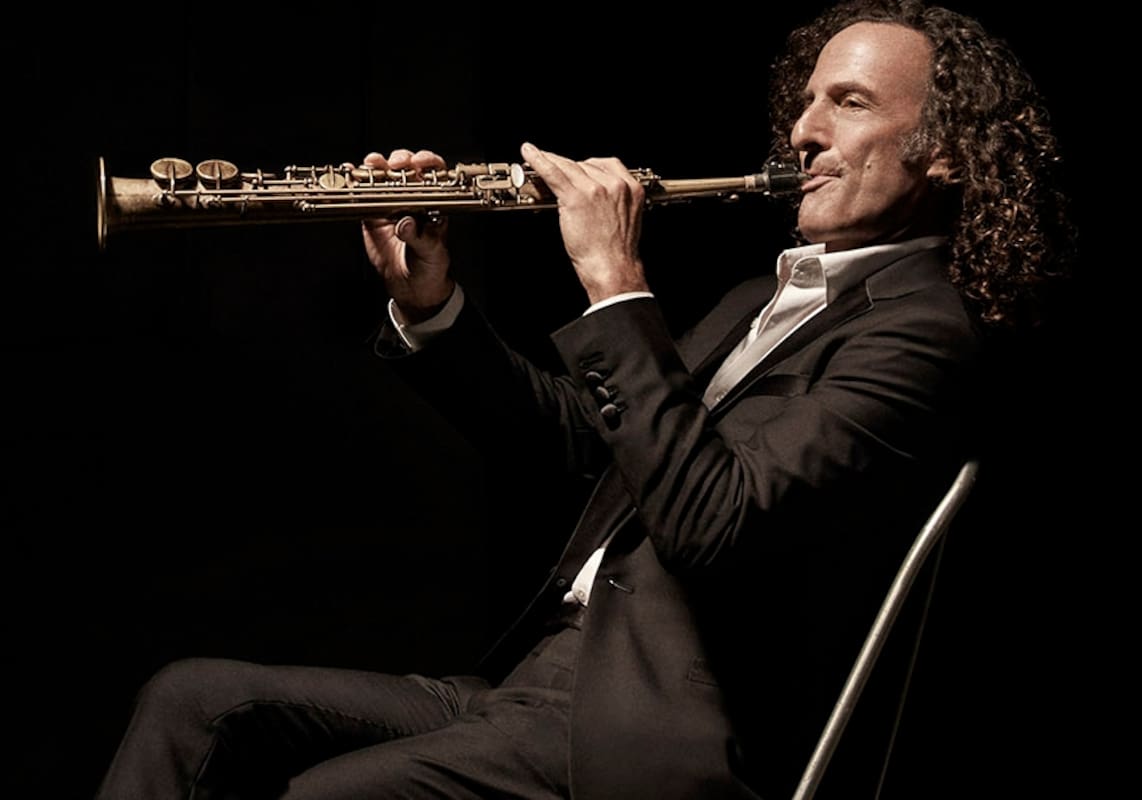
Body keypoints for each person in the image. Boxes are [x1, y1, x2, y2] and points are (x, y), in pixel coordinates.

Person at [94, 1, 1074, 798]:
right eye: (807, 100)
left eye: (848, 103)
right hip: (540, 684)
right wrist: (431, 304)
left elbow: (713, 520)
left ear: (946, 152)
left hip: (644, 728)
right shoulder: (759, 298)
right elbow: (592, 445)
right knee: (193, 700)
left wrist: (614, 279)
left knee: (324, 795)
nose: (804, 130)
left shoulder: (922, 335)